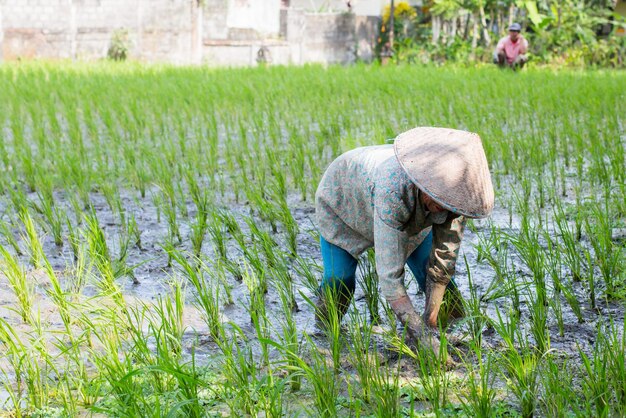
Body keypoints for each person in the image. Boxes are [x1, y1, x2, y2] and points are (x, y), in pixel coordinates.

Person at [314, 127, 494, 354]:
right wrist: (419, 334)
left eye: (447, 205)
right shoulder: (394, 190)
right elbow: (390, 278)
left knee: (437, 279)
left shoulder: (455, 198)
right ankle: (324, 331)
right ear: (422, 184)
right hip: (345, 202)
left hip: (406, 213)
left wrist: (430, 326)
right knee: (339, 278)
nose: (444, 210)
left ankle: (452, 331)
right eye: (438, 201)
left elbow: (443, 264)